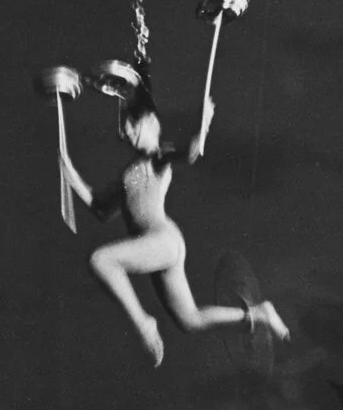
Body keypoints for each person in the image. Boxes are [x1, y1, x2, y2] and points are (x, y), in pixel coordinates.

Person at [58, 62, 289, 367]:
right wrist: (71, 174)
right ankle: (258, 314)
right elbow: (101, 210)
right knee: (190, 320)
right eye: (126, 131)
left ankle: (144, 324)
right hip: (156, 249)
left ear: (152, 122)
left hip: (162, 240)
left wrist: (203, 125)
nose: (127, 134)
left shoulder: (158, 156)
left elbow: (190, 153)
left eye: (132, 126)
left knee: (101, 260)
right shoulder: (129, 173)